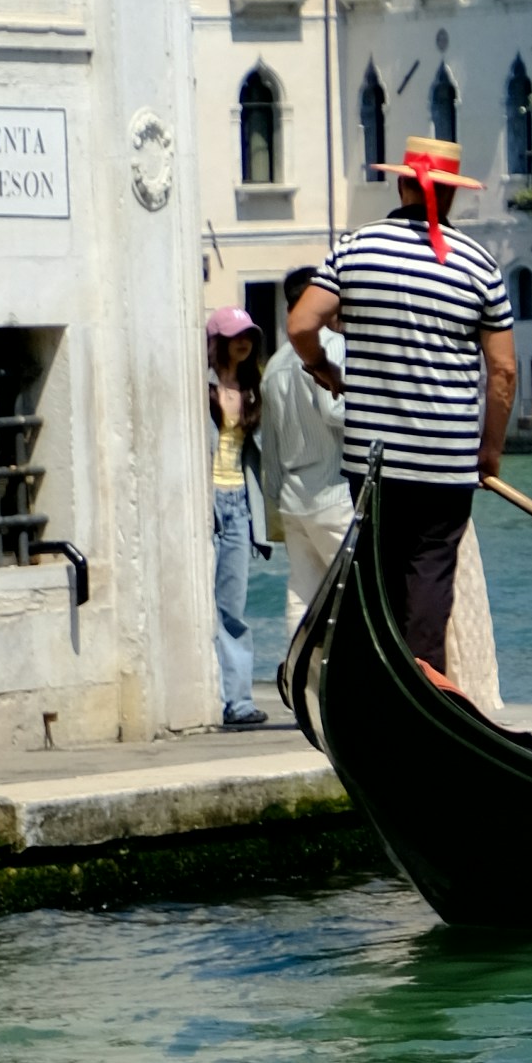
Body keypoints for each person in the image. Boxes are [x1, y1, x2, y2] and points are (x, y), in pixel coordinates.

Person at [288, 137, 515, 678]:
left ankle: (376, 689)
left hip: (376, 460)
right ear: (453, 196)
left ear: (401, 183)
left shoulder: (357, 248)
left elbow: (300, 324)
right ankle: (425, 688)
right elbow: (502, 372)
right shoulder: (480, 264)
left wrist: (324, 369)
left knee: (379, 581)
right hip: (448, 461)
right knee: (430, 586)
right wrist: (490, 450)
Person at [258, 264, 353, 598]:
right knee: (355, 592)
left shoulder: (273, 365)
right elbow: (334, 410)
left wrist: (273, 511)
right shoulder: (336, 347)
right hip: (335, 494)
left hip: (292, 500)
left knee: (302, 596)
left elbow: (268, 447)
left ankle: (303, 653)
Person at [206, 309, 268, 732]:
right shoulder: (201, 387)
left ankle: (239, 701)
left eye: (248, 334)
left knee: (233, 607)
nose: (242, 341)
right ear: (216, 341)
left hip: (239, 503)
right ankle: (213, 694)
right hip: (204, 500)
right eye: (234, 335)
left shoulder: (250, 389)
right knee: (204, 606)